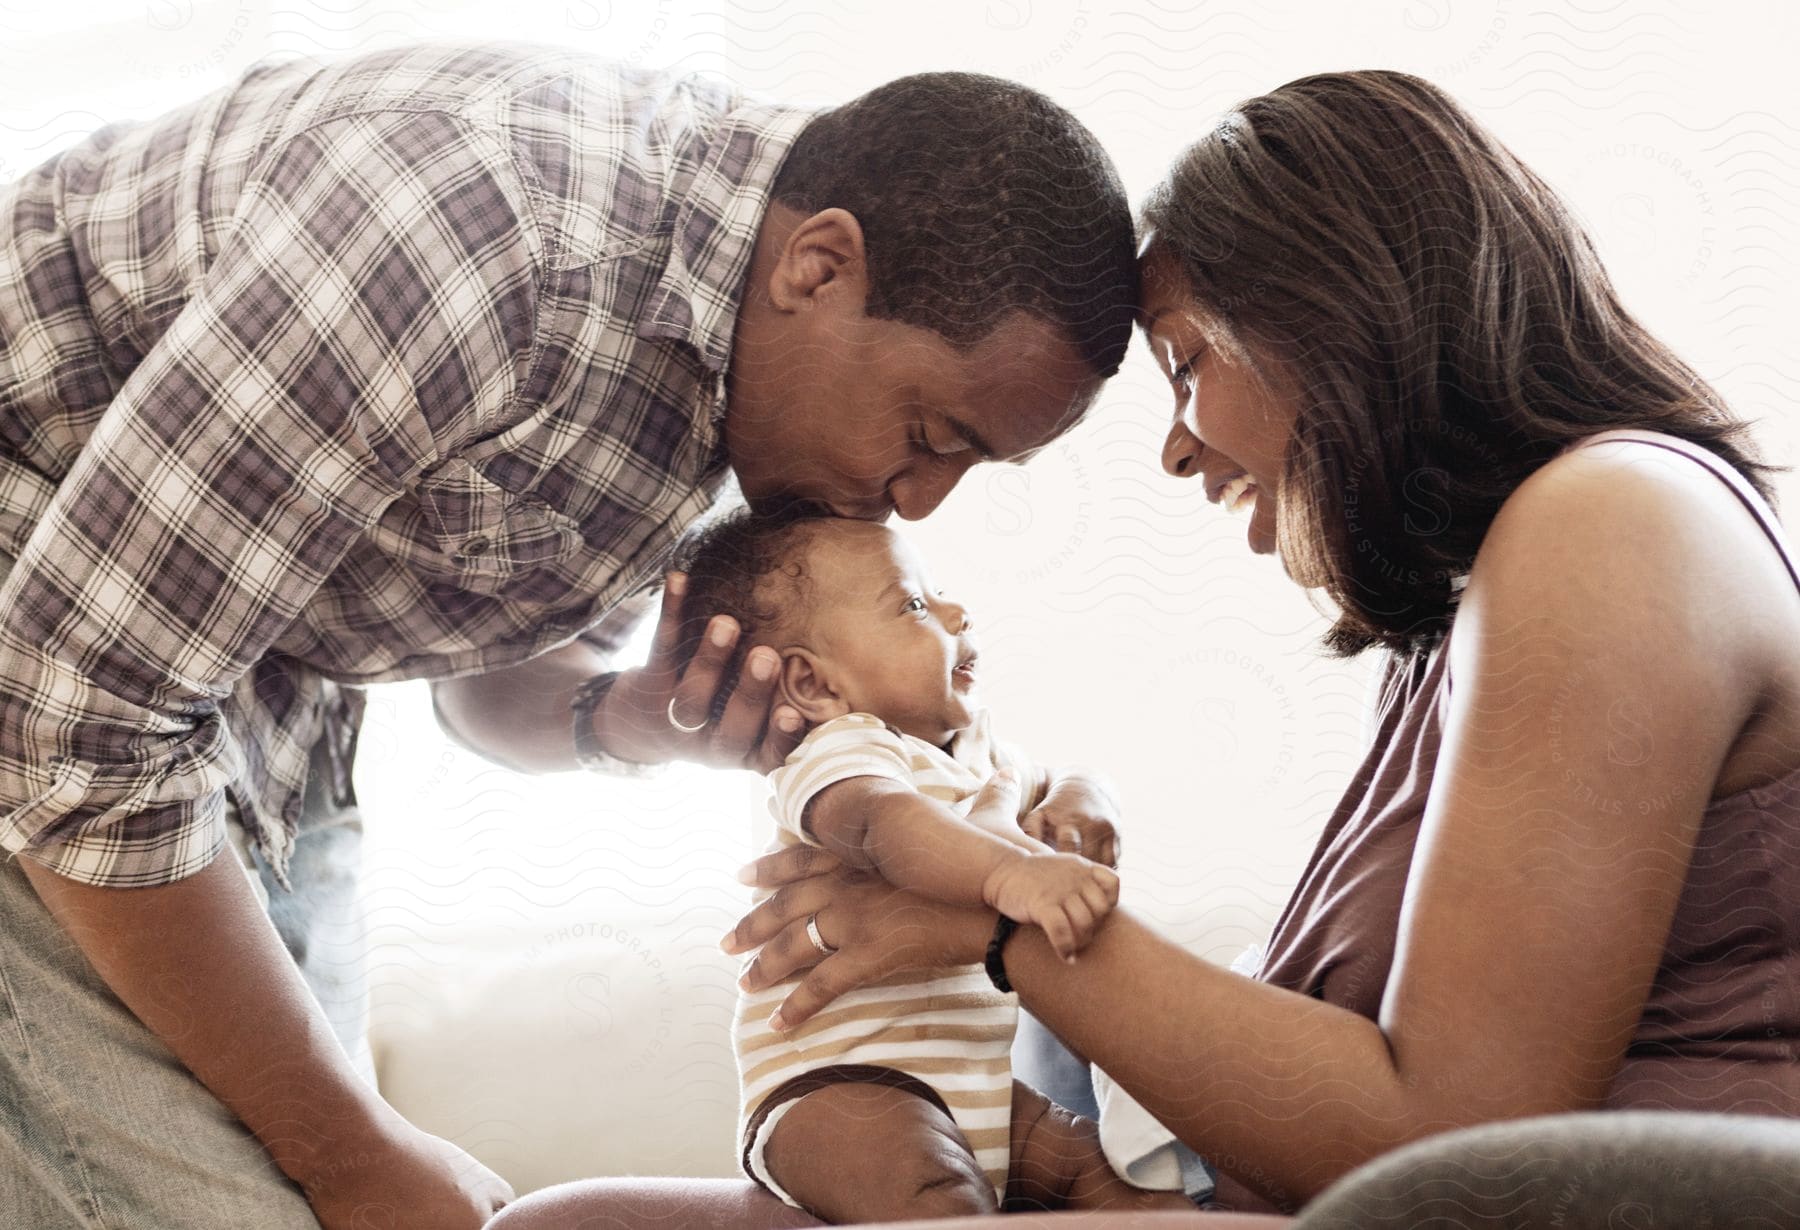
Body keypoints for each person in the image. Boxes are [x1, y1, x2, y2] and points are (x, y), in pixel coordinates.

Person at [492, 68, 1800, 1226]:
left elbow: (1458, 1148)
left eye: (1183, 363)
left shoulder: (1610, 519)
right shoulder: (1488, 601)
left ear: (1333, 315)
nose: (1177, 442)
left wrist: (991, 922)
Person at [0, 43, 1137, 1230]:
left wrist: (618, 715)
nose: (918, 504)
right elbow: (75, 718)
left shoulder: (742, 381)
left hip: (247, 722)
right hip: (50, 674)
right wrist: (347, 1148)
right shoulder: (480, 233)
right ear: (820, 263)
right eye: (928, 433)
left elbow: (472, 689)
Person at [665, 509, 1184, 1221]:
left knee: (1118, 1183)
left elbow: (1059, 777)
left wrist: (1086, 798)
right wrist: (1009, 875)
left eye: (936, 591)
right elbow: (890, 830)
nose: (955, 610)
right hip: (841, 1085)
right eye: (913, 604)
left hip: (982, 1087)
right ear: (815, 686)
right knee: (935, 1200)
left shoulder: (975, 750)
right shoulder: (843, 754)